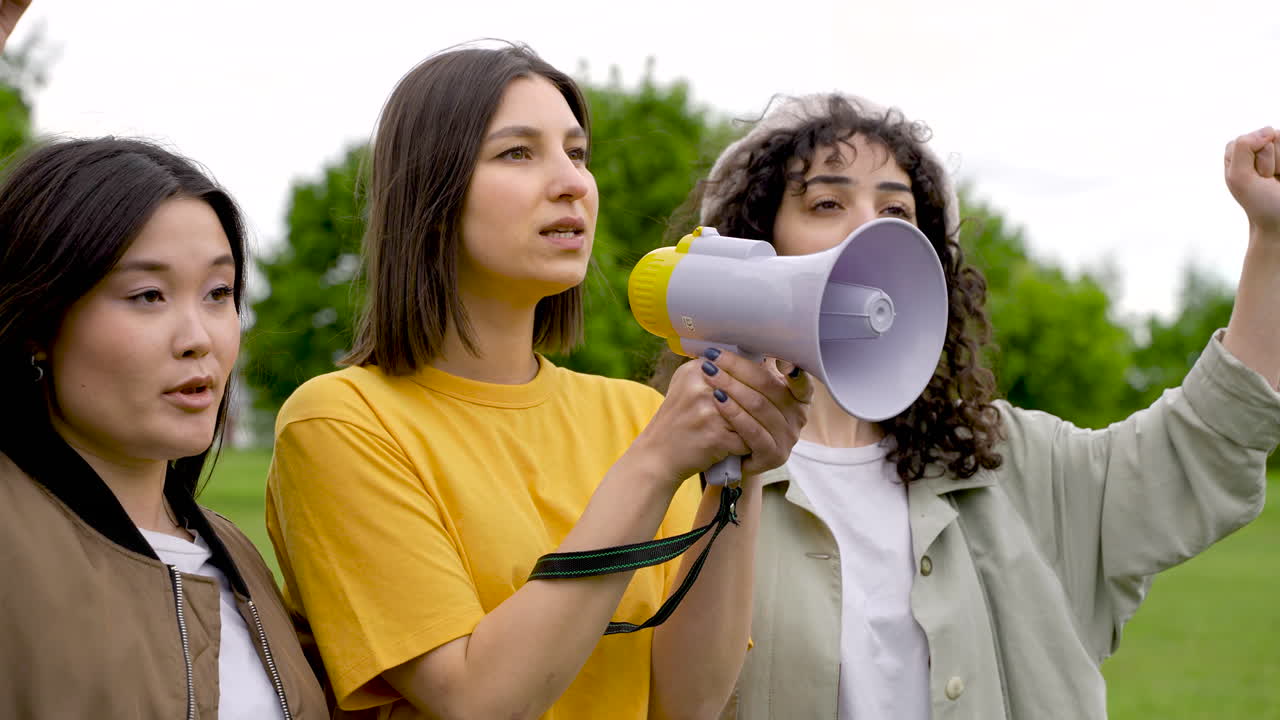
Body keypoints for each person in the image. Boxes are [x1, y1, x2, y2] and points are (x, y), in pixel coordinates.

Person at [669, 93, 1280, 719]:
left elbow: (1202, 444)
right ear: (753, 245)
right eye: (827, 202)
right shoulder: (683, 473)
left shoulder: (1001, 460)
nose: (870, 227)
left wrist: (1272, 238)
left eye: (896, 210)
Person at [264, 43, 810, 720]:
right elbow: (478, 700)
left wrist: (740, 476)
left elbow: (687, 702)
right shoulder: (340, 422)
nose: (572, 182)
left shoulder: (634, 412)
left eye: (577, 154)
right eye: (518, 153)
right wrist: (655, 464)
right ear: (431, 193)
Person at [0, 137, 328, 719]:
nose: (199, 337)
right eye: (148, 295)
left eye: (219, 293)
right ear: (39, 324)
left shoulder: (239, 556)